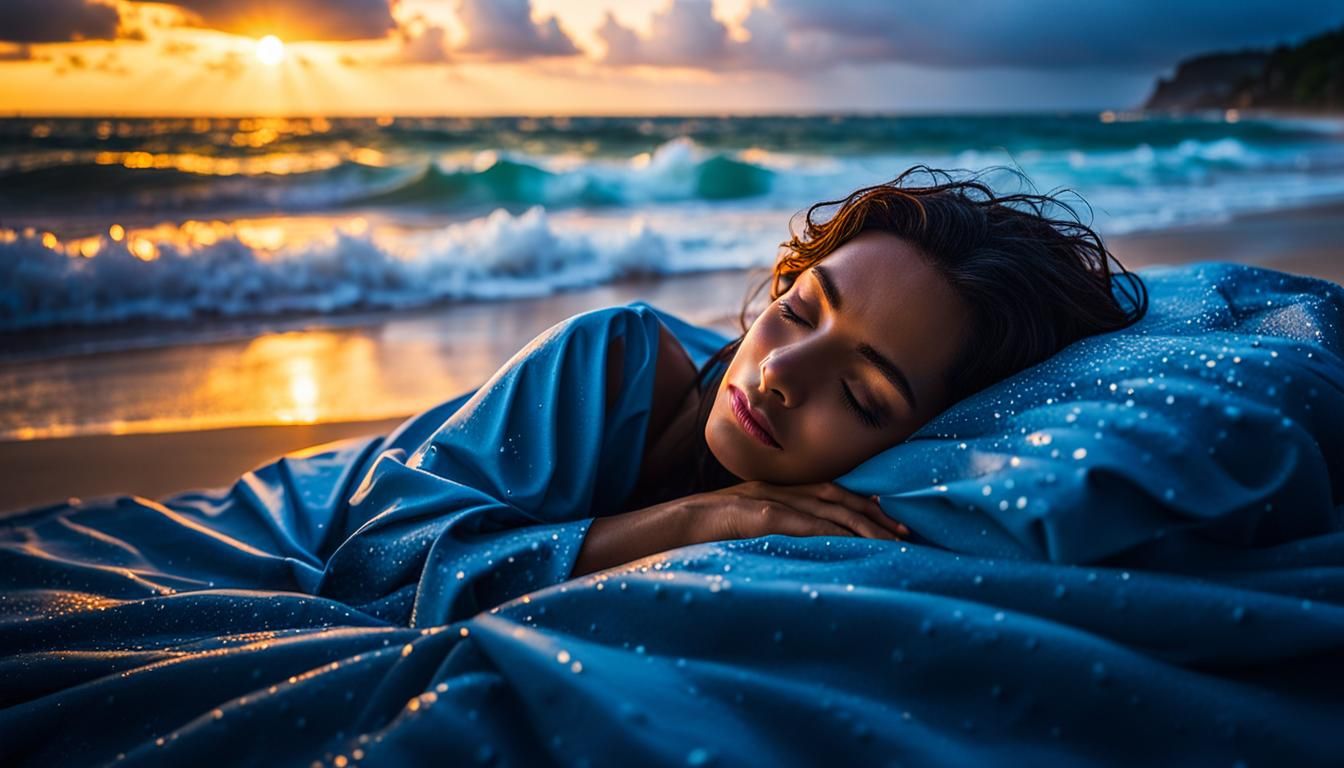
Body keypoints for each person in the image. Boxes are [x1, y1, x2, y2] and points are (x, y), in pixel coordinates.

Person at [571, 165, 1148, 577]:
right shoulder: (605, 361)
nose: (777, 370)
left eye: (858, 395)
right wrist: (700, 517)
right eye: (797, 310)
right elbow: (475, 566)